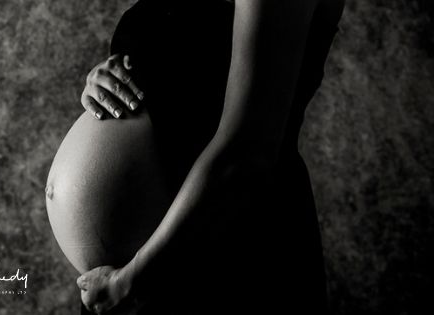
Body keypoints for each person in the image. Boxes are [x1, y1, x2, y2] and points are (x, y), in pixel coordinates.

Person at [72, 0, 345, 313]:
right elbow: (181, 84)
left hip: (215, 252)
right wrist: (105, 79)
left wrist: (132, 282)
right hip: (134, 275)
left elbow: (247, 150)